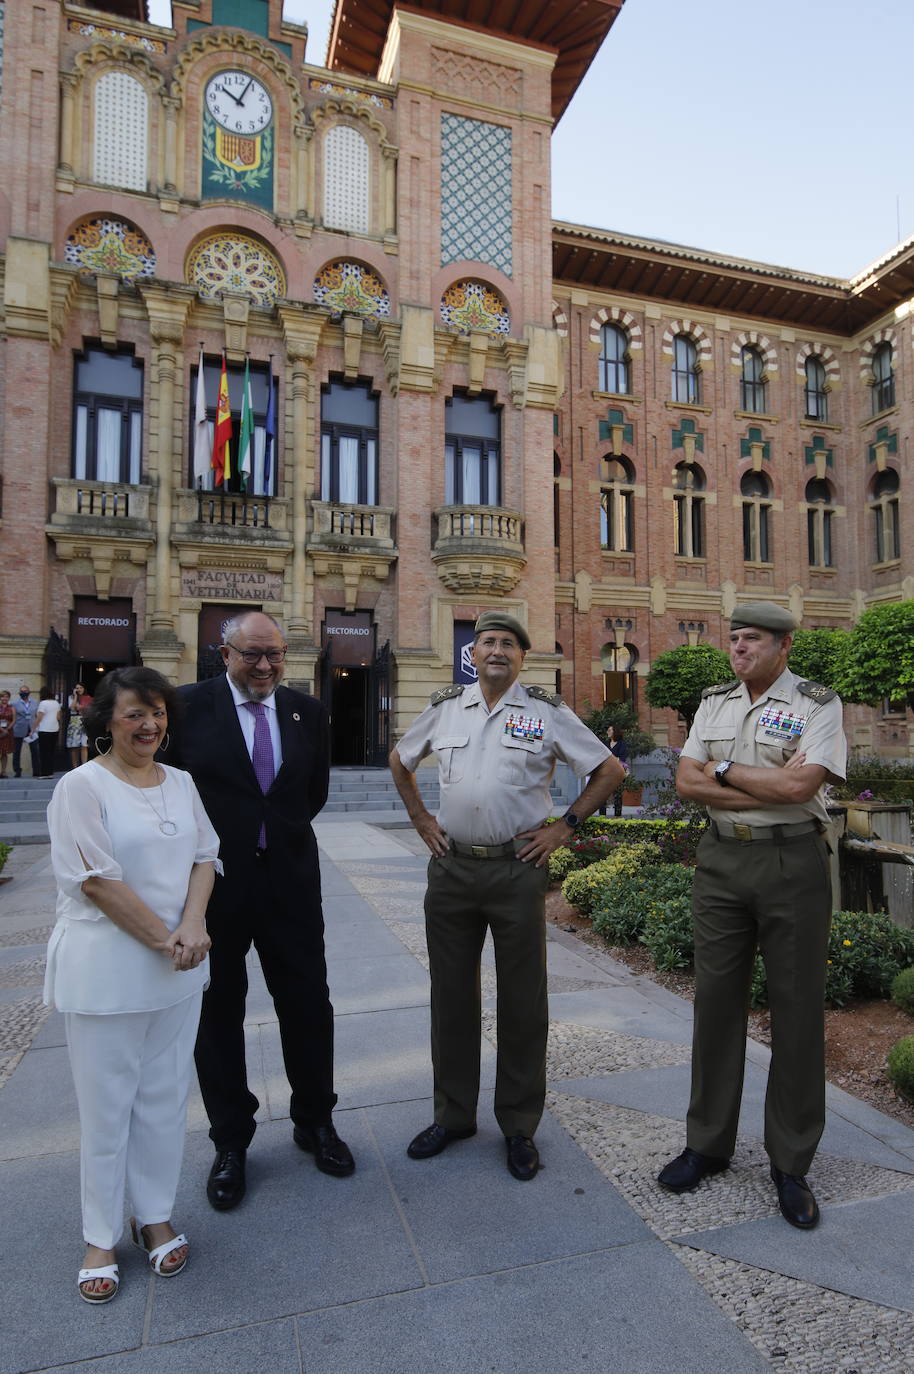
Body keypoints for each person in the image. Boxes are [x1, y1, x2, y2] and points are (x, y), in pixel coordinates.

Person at [390, 611, 624, 1181]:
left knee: (522, 999)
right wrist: (421, 818)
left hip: (516, 870)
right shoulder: (447, 706)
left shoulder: (545, 711)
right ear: (473, 653)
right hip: (451, 870)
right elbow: (400, 760)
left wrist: (564, 826)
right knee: (451, 995)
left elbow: (609, 769)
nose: (496, 651)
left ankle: (519, 1124)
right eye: (487, 642)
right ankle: (453, 1116)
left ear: (523, 656)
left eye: (508, 644)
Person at [657, 602, 847, 1229]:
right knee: (714, 1003)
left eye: (753, 639)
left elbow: (801, 790)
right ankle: (706, 1144)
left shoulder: (818, 703)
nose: (739, 648)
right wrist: (741, 776)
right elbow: (685, 781)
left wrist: (720, 771)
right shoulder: (713, 700)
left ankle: (790, 1163)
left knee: (795, 1010)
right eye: (734, 638)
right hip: (720, 861)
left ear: (784, 645)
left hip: (791, 862)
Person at [44, 666, 219, 1304]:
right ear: (106, 723)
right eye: (134, 716)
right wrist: (165, 938)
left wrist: (193, 925)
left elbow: (206, 854)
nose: (149, 726)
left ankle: (154, 1215)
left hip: (179, 969)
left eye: (158, 714)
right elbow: (95, 879)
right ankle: (98, 1235)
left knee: (165, 1099)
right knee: (106, 1109)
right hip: (109, 970)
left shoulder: (182, 782)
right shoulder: (80, 787)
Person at [174, 610, 352, 1212]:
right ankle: (231, 1140)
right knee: (216, 1012)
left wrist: (274, 838)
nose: (266, 665)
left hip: (290, 885)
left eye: (274, 653)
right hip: (214, 890)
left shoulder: (308, 711)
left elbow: (312, 794)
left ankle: (315, 1122)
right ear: (224, 654)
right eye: (252, 654)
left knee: (307, 1003)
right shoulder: (186, 707)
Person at [12, 684, 39, 778]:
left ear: (29, 692)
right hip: (19, 729)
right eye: (22, 692)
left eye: (25, 691)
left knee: (35, 751)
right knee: (17, 751)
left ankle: (36, 771)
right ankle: (17, 771)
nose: (24, 693)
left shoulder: (35, 702)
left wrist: (36, 728)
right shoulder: (14, 703)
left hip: (32, 729)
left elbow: (37, 716)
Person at [603, 724, 629, 817]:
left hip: (617, 773)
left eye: (610, 730)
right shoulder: (606, 743)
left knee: (617, 795)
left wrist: (610, 759)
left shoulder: (622, 744)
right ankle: (602, 816)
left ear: (615, 732)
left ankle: (617, 816)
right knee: (602, 795)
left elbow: (622, 758)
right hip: (605, 773)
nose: (608, 732)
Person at [35, 687, 62, 778]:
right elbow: (58, 717)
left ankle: (44, 773)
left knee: (43, 752)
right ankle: (50, 772)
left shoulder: (43, 703)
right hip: (54, 729)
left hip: (44, 729)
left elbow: (39, 718)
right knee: (51, 752)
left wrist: (32, 729)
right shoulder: (56, 703)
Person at [67, 682, 92, 768]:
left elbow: (90, 709)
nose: (79, 690)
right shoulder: (71, 697)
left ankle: (84, 766)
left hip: (84, 721)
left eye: (81, 688)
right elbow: (73, 707)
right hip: (74, 722)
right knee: (74, 746)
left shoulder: (88, 698)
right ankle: (75, 767)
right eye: (77, 688)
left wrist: (82, 707)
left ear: (84, 689)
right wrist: (75, 697)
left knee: (84, 745)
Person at [0, 689, 14, 778]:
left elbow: (14, 720)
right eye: (2, 696)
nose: (4, 698)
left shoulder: (11, 707)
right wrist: (2, 730)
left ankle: (3, 771)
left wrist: (7, 729)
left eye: (6, 696)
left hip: (7, 732)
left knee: (4, 752)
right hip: (1, 731)